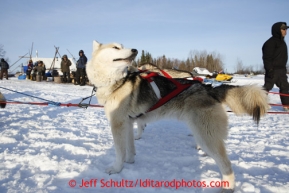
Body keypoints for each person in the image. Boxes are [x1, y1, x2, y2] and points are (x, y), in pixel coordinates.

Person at [262, 22, 289, 111]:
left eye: (286, 29)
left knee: (285, 87)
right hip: (272, 70)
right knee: (267, 88)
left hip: (282, 70)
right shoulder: (270, 43)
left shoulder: (282, 42)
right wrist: (269, 70)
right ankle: (258, 104)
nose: (285, 31)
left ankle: (286, 106)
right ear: (278, 30)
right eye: (283, 29)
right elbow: (267, 58)